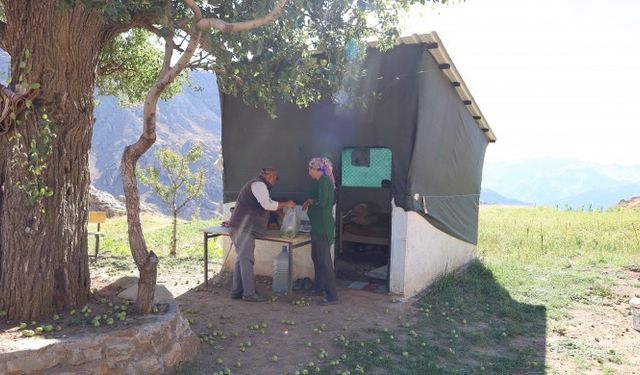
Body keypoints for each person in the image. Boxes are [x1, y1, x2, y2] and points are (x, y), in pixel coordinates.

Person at [229, 167, 295, 302]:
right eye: (275, 179)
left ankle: (237, 291)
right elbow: (266, 204)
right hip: (244, 228)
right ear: (270, 177)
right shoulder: (258, 184)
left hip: (241, 227)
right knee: (246, 260)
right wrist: (285, 204)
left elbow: (264, 204)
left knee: (241, 259)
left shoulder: (259, 185)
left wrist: (278, 211)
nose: (275, 182)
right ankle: (249, 294)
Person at [303, 157, 338, 305]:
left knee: (324, 261)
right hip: (317, 227)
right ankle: (319, 287)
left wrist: (311, 202)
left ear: (317, 169)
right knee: (316, 258)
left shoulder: (324, 181)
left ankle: (332, 295)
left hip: (323, 226)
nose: (308, 171)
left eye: (310, 168)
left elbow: (323, 202)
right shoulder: (319, 182)